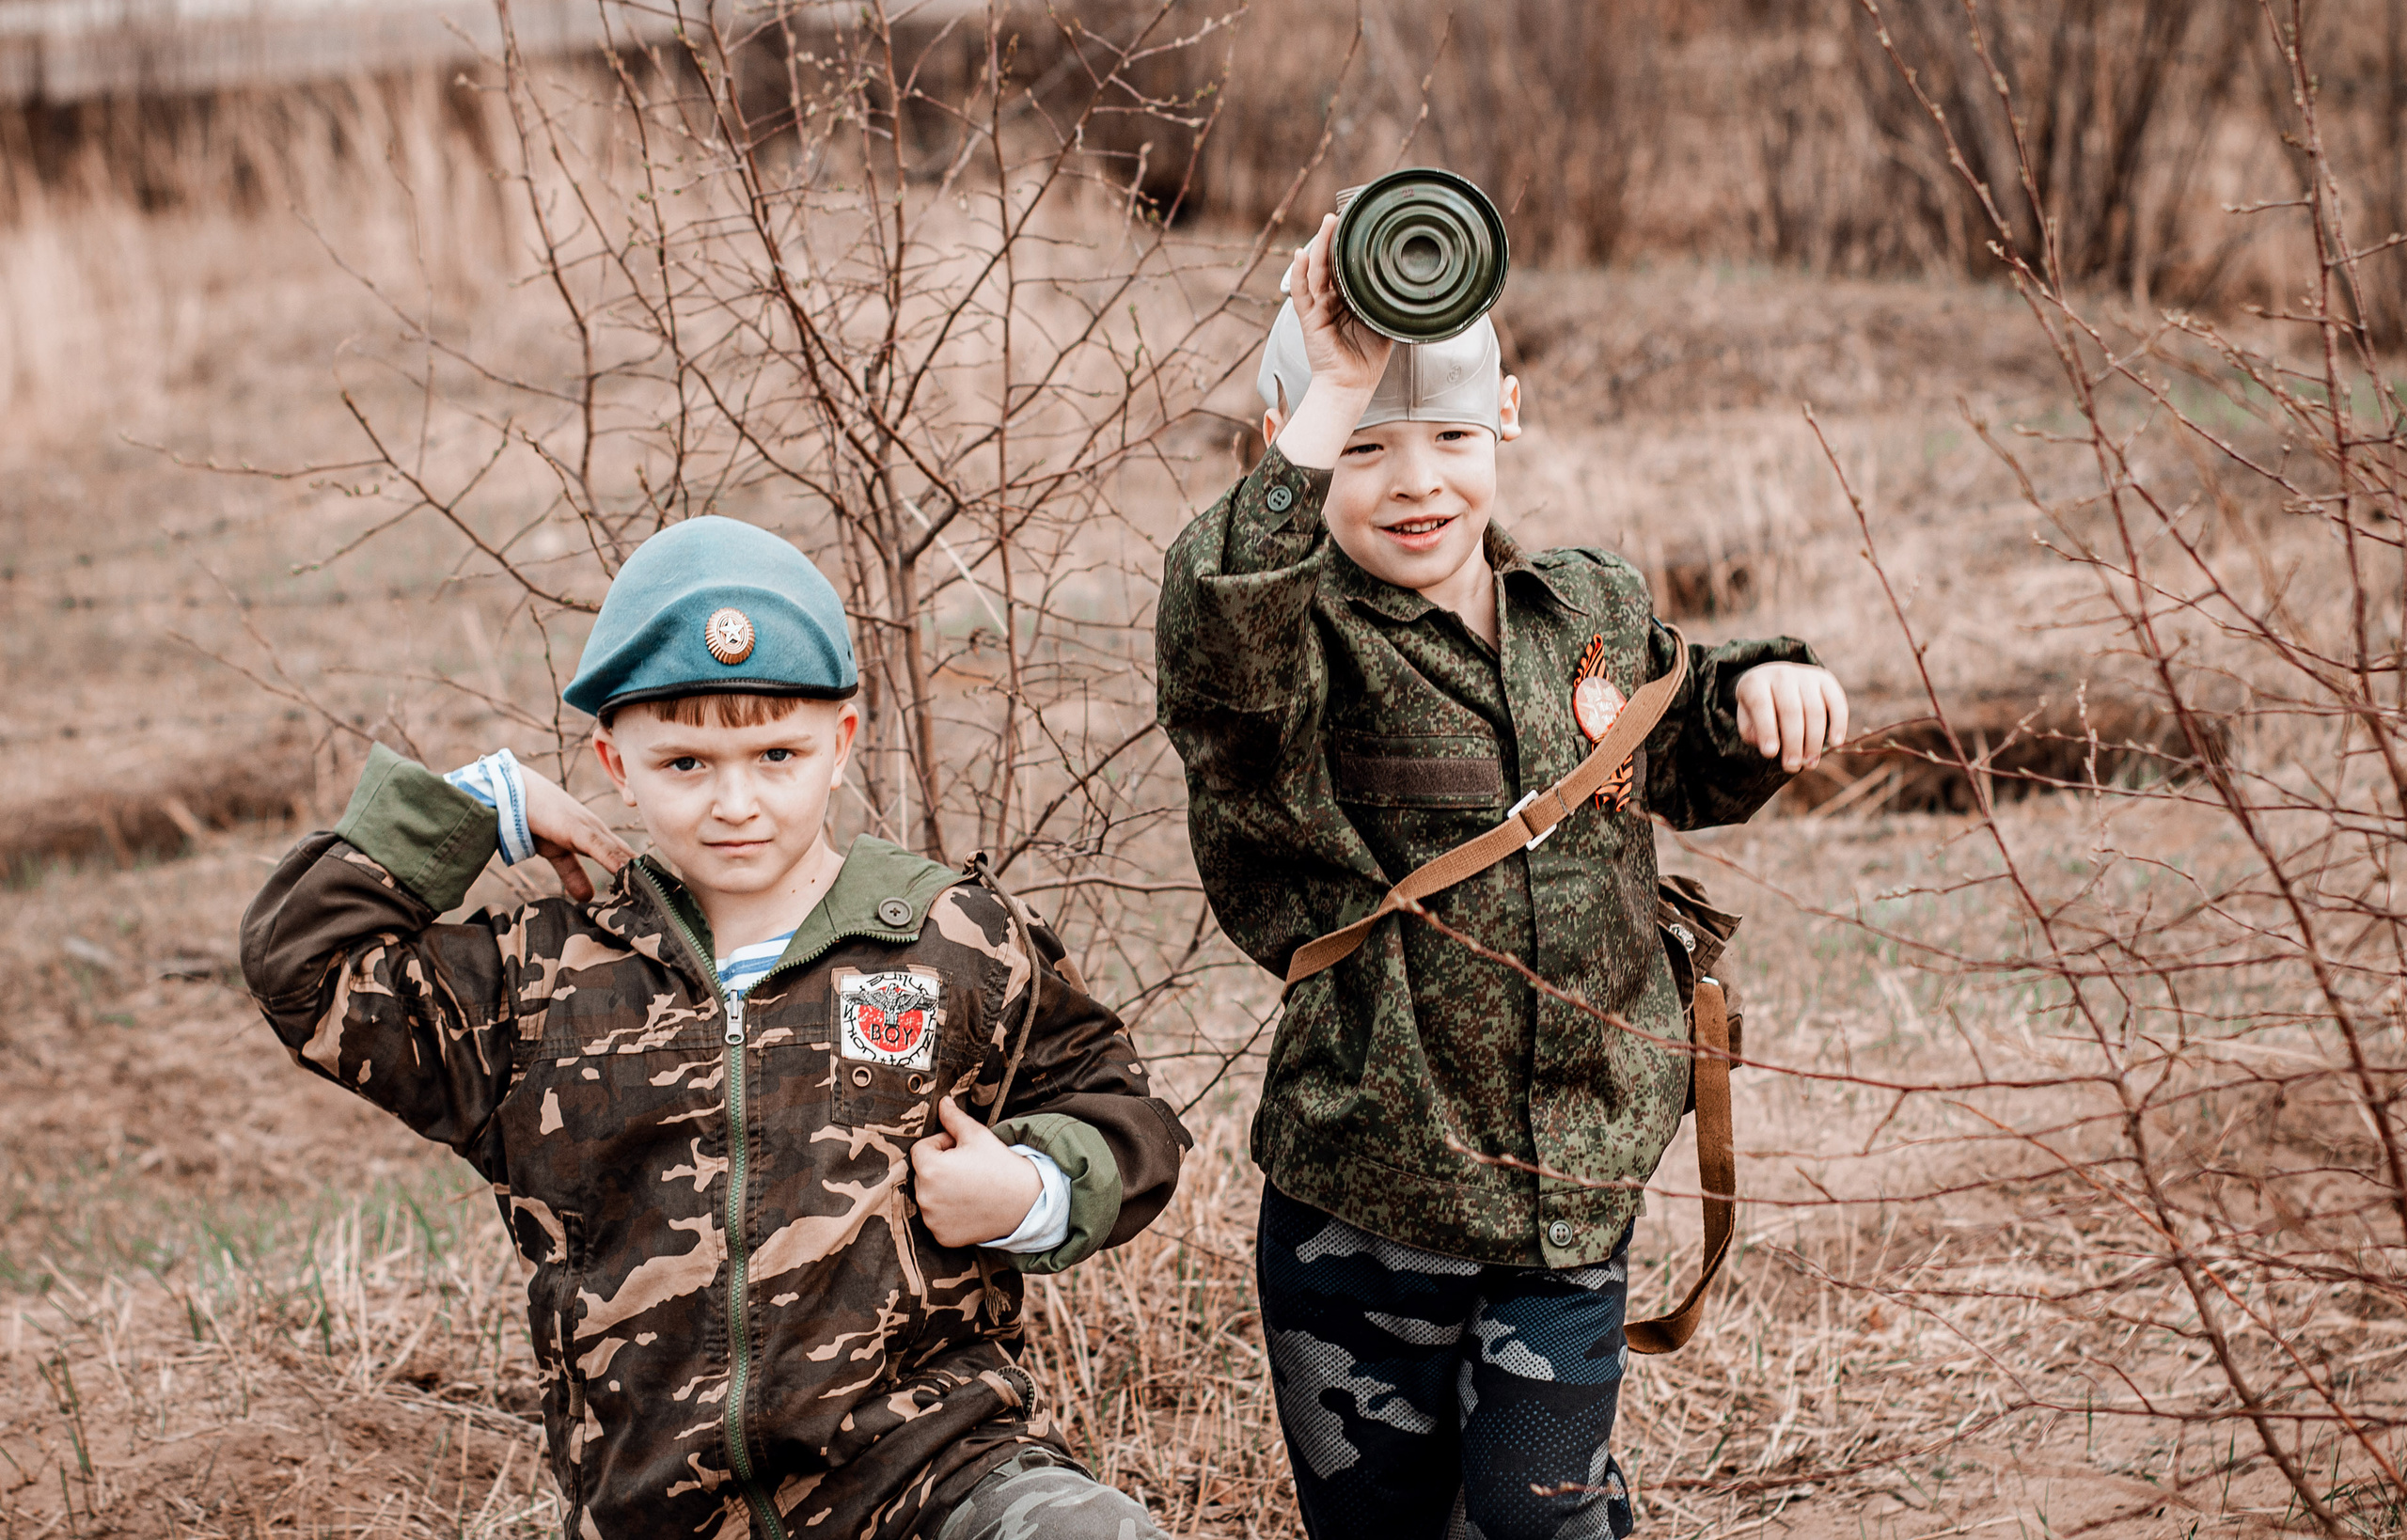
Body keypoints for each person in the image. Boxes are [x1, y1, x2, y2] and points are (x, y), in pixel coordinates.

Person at [243, 516, 1191, 1540]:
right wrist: (478, 809)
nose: (736, 802)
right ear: (614, 761)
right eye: (685, 764)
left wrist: (1031, 1189)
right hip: (657, 1510)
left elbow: (1124, 1114)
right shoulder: (537, 978)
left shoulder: (949, 938)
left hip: (933, 1479)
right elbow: (305, 971)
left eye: (776, 753)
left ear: (843, 744)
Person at [1155, 212, 1849, 1539]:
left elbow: (1684, 734)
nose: (1415, 481)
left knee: (1533, 1517)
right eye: (1364, 448)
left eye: (1449, 438)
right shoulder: (1299, 646)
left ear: (1508, 418)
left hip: (1565, 1194)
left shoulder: (1583, 607)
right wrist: (1328, 389)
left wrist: (1763, 686)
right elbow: (1217, 660)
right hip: (1359, 1206)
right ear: (1288, 451)